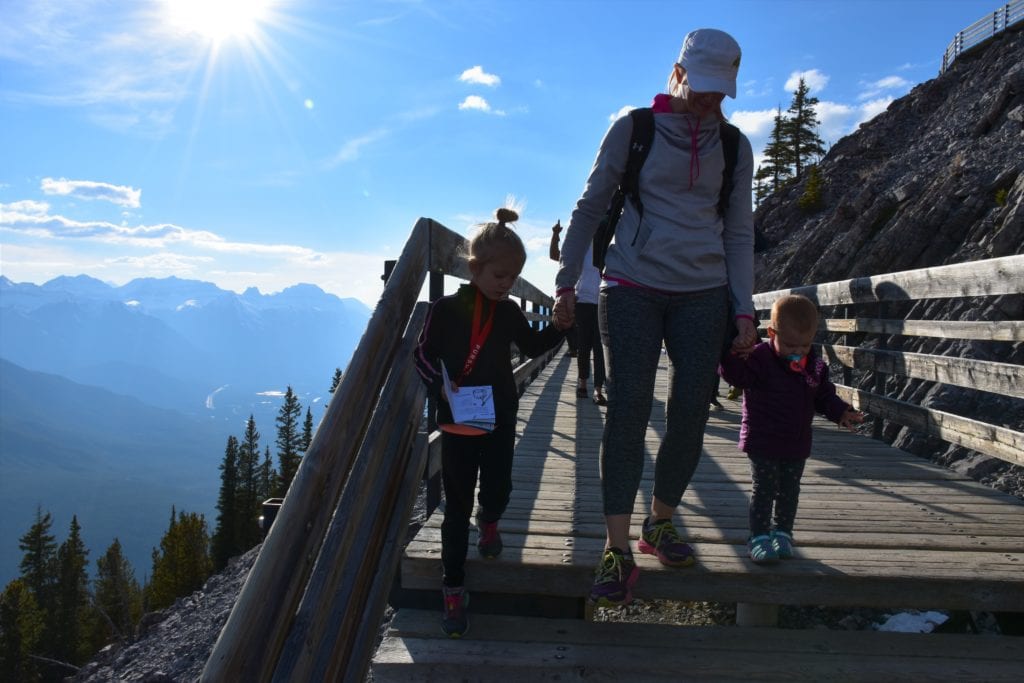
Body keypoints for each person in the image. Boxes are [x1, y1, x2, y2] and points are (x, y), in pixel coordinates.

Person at [552, 28, 758, 607]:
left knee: (691, 408)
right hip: (633, 283)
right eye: (703, 88)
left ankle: (659, 520)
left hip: (705, 290)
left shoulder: (736, 146)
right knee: (628, 408)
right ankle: (616, 546)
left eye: (722, 92)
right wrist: (567, 281)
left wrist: (744, 309)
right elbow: (591, 204)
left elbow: (739, 233)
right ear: (679, 72)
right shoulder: (635, 129)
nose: (710, 101)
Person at [415, 207, 568, 637]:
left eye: (513, 276)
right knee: (455, 505)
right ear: (475, 269)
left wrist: (559, 327)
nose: (507, 284)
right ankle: (453, 585)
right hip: (459, 424)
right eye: (500, 275)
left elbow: (535, 344)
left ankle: (491, 519)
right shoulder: (445, 310)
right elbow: (423, 355)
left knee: (499, 486)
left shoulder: (507, 312)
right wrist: (438, 386)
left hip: (500, 417)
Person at [719, 294, 864, 563]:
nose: (798, 351)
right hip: (762, 438)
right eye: (789, 344)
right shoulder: (759, 357)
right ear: (772, 332)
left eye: (805, 345)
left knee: (789, 488)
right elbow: (737, 376)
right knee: (764, 487)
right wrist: (731, 355)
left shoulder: (815, 365)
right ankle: (759, 536)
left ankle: (783, 532)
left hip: (796, 440)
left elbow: (824, 396)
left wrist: (840, 411)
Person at [550, 220, 607, 405]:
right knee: (583, 346)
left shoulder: (607, 246)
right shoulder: (580, 248)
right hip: (582, 302)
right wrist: (556, 234)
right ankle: (582, 383)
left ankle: (598, 390)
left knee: (600, 348)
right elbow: (554, 256)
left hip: (602, 302)